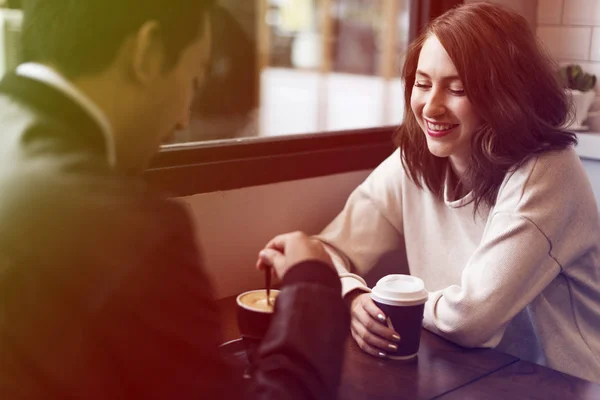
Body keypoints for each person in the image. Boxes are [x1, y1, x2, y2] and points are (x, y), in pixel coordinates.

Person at [0, 1, 349, 399]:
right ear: (147, 52)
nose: (183, 119)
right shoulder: (127, 226)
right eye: (194, 79)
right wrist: (312, 285)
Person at [260, 2, 600, 383]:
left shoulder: (548, 172)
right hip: (467, 372)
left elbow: (472, 318)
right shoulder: (417, 159)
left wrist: (382, 304)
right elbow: (331, 249)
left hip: (563, 384)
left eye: (458, 89)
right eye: (422, 84)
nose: (431, 107)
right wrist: (352, 298)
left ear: (507, 96)